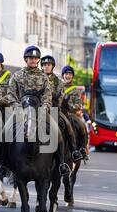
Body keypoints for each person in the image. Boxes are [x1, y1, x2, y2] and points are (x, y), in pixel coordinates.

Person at [4, 45, 71, 176]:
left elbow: (47, 95)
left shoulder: (43, 77)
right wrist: (17, 108)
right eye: (31, 58)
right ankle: (3, 163)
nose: (33, 60)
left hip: (40, 111)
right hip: (21, 110)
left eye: (36, 58)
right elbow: (11, 94)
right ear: (26, 59)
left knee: (56, 131)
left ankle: (62, 163)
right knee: (5, 131)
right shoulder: (17, 76)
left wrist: (44, 108)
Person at [41, 55, 81, 162]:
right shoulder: (37, 78)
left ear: (52, 66)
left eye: (48, 65)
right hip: (38, 110)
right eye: (44, 65)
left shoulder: (58, 82)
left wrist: (70, 106)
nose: (46, 67)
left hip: (54, 110)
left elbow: (60, 98)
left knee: (68, 125)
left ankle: (73, 151)